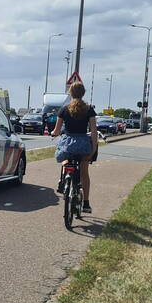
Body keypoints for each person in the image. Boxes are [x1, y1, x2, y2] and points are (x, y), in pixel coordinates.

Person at [51, 81, 98, 213]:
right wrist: (93, 148)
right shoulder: (89, 110)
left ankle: (63, 179)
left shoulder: (64, 109)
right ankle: (86, 203)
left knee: (64, 156)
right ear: (83, 93)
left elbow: (56, 130)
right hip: (83, 144)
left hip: (68, 143)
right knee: (84, 173)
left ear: (70, 93)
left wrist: (53, 134)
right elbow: (94, 131)